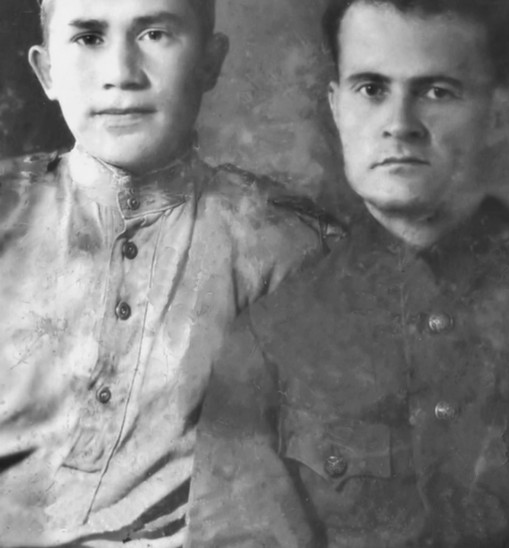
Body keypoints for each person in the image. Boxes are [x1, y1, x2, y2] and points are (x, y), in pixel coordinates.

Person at [188, 0, 509, 546]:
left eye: (437, 91)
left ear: (495, 112)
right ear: (336, 107)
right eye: (372, 89)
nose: (400, 126)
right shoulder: (266, 342)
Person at [0, 0, 341, 546]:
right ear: (46, 72)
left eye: (155, 34)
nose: (121, 74)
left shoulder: (282, 248)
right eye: (88, 37)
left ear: (210, 62)